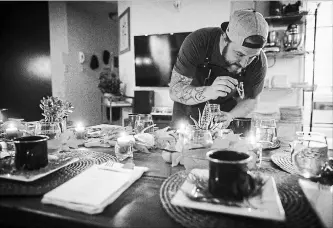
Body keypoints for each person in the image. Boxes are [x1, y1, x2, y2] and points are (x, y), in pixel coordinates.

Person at [169, 9, 269, 128]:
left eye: (252, 57)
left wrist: (230, 116)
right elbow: (175, 90)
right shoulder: (199, 41)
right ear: (224, 39)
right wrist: (208, 92)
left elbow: (251, 100)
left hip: (224, 127)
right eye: (239, 54)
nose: (244, 63)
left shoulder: (260, 62)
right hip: (186, 123)